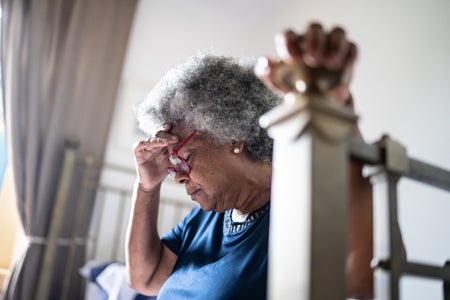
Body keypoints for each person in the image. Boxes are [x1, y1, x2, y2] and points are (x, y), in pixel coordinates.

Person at [126, 23, 373, 299]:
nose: (179, 176)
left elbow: (365, 277)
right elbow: (144, 278)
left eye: (183, 157)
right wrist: (146, 186)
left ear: (232, 136)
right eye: (171, 166)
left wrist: (338, 109)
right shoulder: (207, 216)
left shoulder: (297, 210)